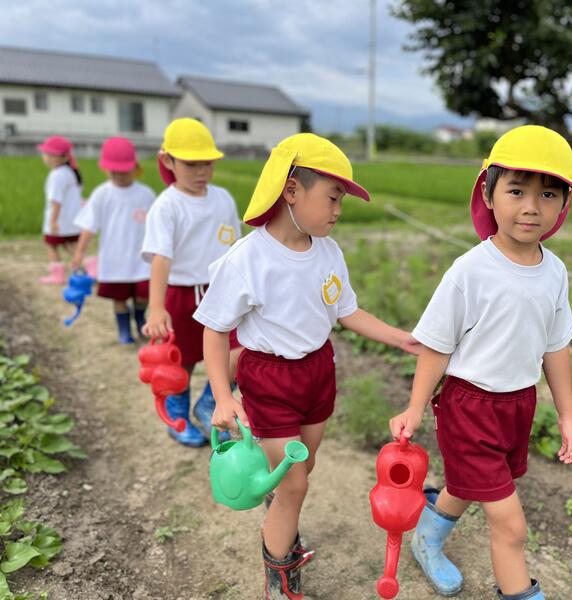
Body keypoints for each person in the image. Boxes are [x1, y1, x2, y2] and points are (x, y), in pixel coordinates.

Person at [194, 133, 418, 599]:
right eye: (333, 197)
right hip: (269, 379)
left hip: (318, 373)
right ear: (292, 190)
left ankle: (280, 509)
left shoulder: (328, 252)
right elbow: (214, 330)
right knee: (295, 485)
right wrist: (222, 396)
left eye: (342, 201)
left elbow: (346, 312)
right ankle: (280, 580)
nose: (338, 210)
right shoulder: (248, 259)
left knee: (304, 468)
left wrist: (402, 338)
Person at [389, 125, 572, 600]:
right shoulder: (470, 270)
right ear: (488, 194)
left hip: (518, 405)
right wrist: (415, 407)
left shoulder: (555, 271)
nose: (531, 206)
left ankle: (426, 540)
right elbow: (436, 345)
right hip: (470, 408)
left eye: (548, 194)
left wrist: (567, 415)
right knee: (510, 526)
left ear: (563, 204)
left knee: (468, 484)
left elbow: (555, 346)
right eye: (516, 191)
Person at [140, 118, 241, 446]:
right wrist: (157, 307)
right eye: (191, 164)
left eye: (207, 164)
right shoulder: (166, 206)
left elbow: (235, 247)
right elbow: (161, 257)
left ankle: (212, 403)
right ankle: (178, 414)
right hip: (181, 296)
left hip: (221, 293)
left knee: (238, 352)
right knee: (181, 362)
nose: (201, 171)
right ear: (168, 160)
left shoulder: (223, 198)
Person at [71, 137, 155, 344]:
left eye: (123, 171)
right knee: (119, 297)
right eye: (114, 172)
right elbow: (89, 225)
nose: (119, 176)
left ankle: (140, 318)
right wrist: (79, 252)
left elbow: (157, 226)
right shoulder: (102, 194)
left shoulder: (146, 194)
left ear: (134, 168)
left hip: (142, 259)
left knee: (143, 294)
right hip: (114, 257)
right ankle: (124, 329)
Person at [38, 135, 83, 285]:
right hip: (72, 220)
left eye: (51, 154)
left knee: (51, 245)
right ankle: (85, 268)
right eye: (46, 154)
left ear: (62, 157)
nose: (46, 157)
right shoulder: (70, 172)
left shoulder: (56, 175)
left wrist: (53, 221)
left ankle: (57, 275)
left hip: (60, 219)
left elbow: (56, 201)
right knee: (71, 246)